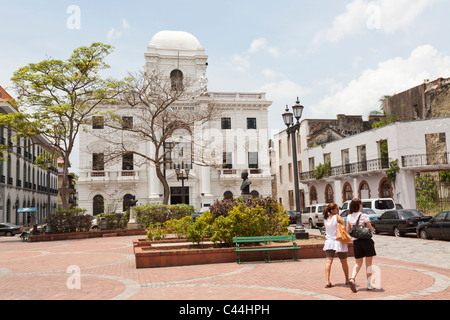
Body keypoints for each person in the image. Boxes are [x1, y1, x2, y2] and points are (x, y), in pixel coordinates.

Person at [346, 198, 377, 292]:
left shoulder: (349, 217)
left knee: (358, 263)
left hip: (356, 242)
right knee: (369, 264)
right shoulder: (364, 215)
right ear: (359, 205)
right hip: (366, 241)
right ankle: (369, 284)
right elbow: (370, 228)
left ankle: (352, 278)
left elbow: (347, 231)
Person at [322, 203, 349, 288]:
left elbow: (326, 229)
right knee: (344, 261)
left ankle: (327, 281)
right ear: (332, 210)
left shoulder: (325, 219)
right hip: (339, 241)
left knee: (328, 261)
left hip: (329, 242)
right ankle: (347, 279)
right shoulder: (337, 217)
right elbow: (343, 226)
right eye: (337, 209)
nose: (338, 210)